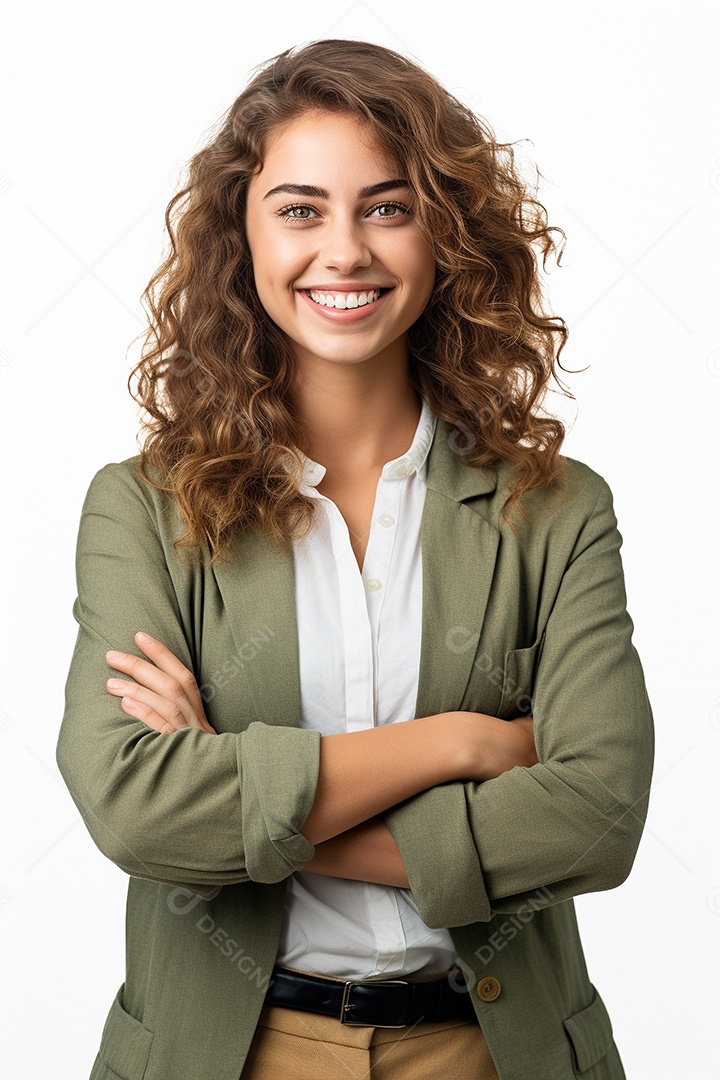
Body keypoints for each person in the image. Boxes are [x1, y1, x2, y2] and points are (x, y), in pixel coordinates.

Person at [57, 38, 654, 1080]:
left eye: (387, 206)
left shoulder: (555, 511)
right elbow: (136, 806)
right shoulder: (144, 509)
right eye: (300, 209)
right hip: (234, 1054)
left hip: (490, 1052)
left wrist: (258, 813)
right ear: (239, 237)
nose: (346, 251)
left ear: (445, 233)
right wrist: (461, 744)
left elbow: (597, 819)